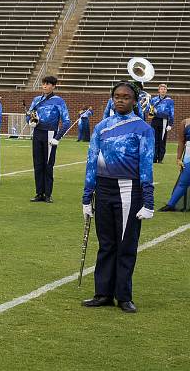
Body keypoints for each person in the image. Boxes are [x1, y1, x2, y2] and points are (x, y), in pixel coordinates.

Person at [82, 81, 154, 313]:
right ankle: (102, 293)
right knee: (106, 244)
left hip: (128, 190)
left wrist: (148, 200)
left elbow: (146, 165)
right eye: (116, 96)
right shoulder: (101, 127)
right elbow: (91, 161)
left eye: (125, 97)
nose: (120, 100)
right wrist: (86, 196)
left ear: (134, 101)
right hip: (103, 189)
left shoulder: (143, 129)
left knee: (126, 245)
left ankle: (123, 296)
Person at [27, 76, 70, 204]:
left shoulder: (59, 101)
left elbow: (67, 121)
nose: (45, 86)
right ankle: (39, 193)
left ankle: (48, 194)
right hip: (37, 133)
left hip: (51, 134)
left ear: (53, 86)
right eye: (43, 84)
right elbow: (29, 114)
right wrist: (30, 121)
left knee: (48, 165)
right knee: (38, 164)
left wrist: (58, 137)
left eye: (47, 84)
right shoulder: (36, 100)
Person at [158, 116, 190, 212]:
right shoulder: (185, 122)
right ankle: (171, 204)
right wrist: (178, 158)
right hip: (188, 157)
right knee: (183, 182)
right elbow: (181, 142)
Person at [149, 83, 174, 163]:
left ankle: (160, 159)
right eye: (161, 89)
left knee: (162, 140)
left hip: (164, 121)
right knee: (154, 140)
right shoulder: (154, 99)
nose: (163, 90)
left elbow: (171, 112)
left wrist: (170, 124)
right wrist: (152, 111)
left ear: (166, 91)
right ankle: (153, 158)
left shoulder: (170, 100)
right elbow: (150, 112)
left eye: (164, 89)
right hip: (155, 120)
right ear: (159, 90)